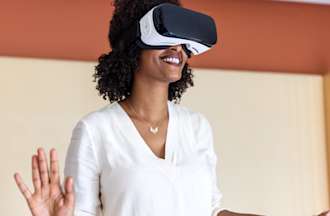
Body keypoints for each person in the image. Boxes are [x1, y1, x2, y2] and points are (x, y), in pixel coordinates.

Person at [13, 0, 330, 216]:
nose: (177, 48)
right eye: (166, 36)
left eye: (183, 41)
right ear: (134, 44)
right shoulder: (96, 131)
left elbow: (210, 212)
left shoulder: (197, 127)